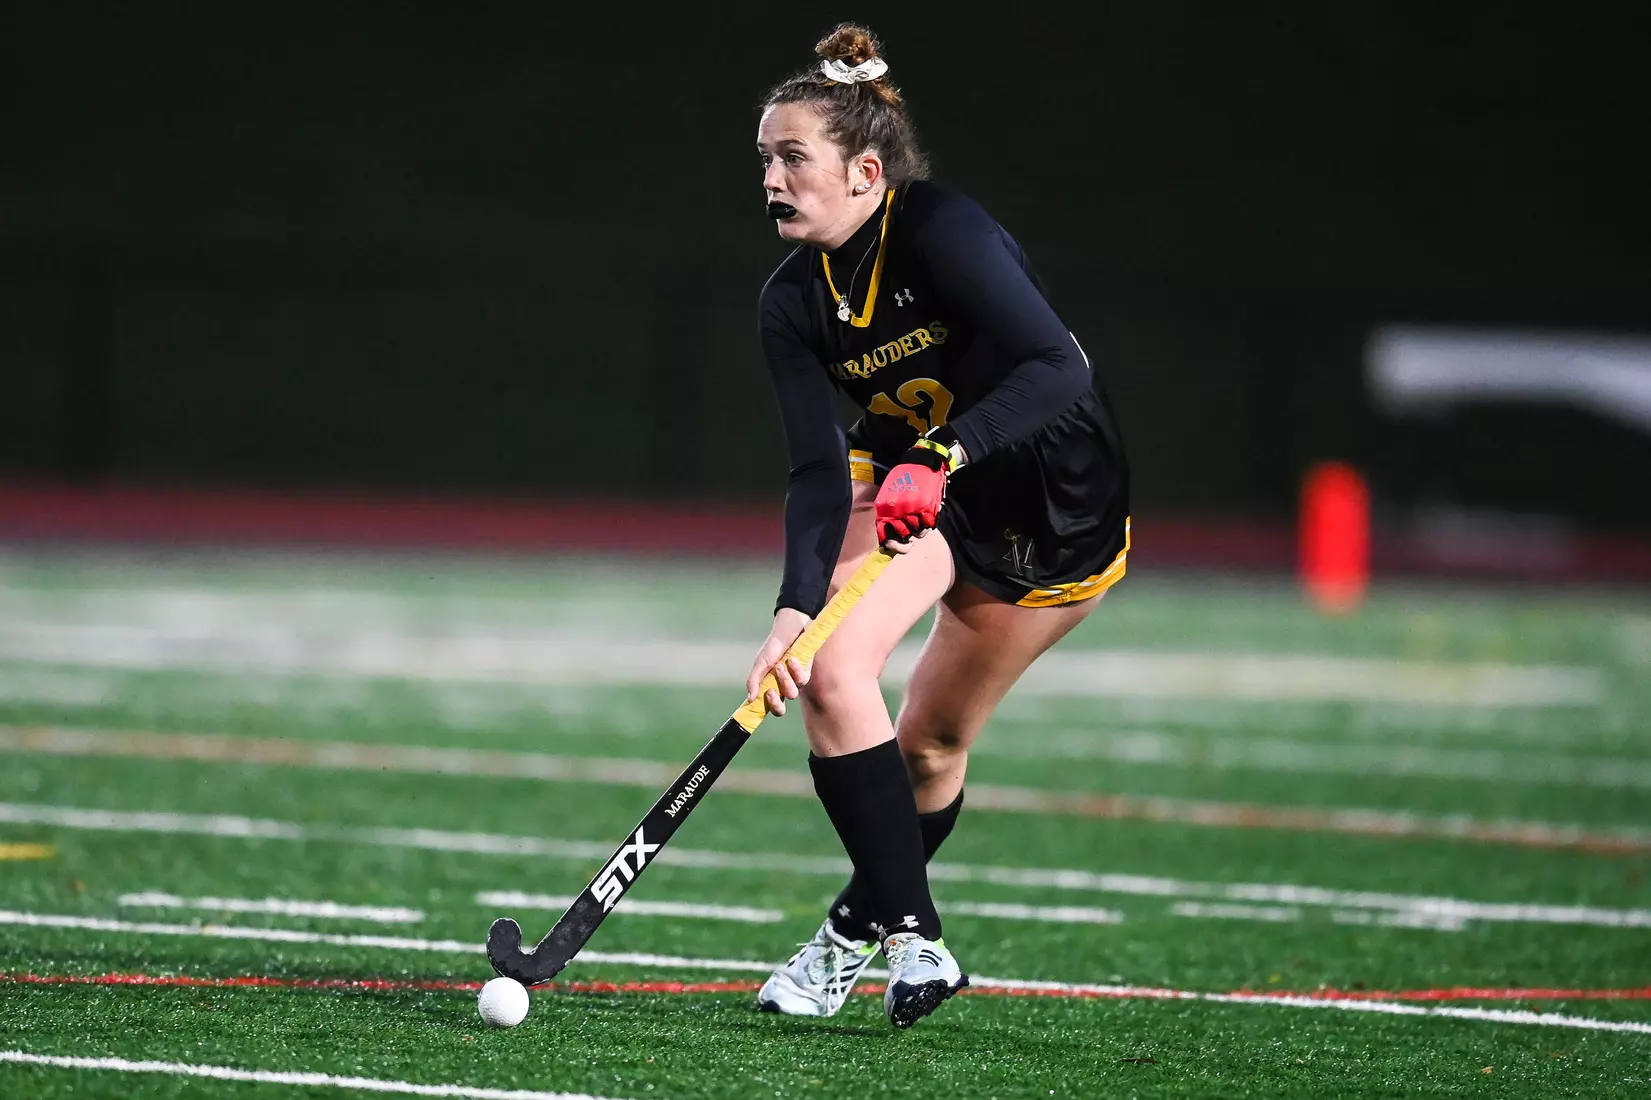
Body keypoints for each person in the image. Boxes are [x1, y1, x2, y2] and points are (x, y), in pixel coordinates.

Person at [746, 22, 1130, 1029]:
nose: (772, 180)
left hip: (1052, 505)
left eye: (794, 158)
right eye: (765, 160)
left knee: (931, 743)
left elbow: (1059, 368)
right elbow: (814, 470)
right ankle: (916, 937)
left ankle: (848, 930)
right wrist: (791, 608)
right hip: (923, 493)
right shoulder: (790, 303)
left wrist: (944, 450)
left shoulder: (942, 231)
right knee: (830, 667)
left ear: (865, 172)